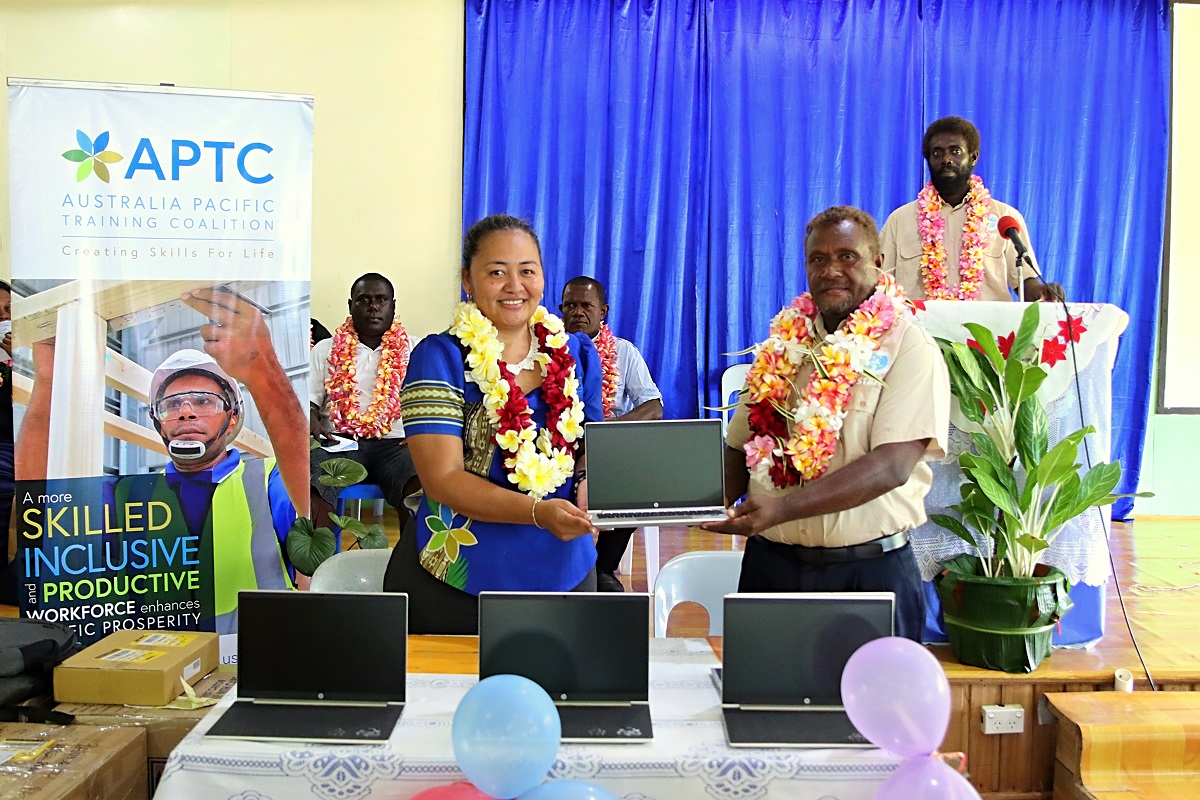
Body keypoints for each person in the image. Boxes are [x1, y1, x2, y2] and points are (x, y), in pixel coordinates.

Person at [706, 206, 951, 642]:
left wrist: (781, 509)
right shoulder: (782, 346)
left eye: (847, 256)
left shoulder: (910, 346)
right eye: (818, 259)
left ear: (877, 262)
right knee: (763, 709)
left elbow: (892, 465)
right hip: (772, 571)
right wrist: (698, 503)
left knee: (871, 712)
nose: (831, 270)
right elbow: (740, 448)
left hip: (868, 577)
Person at [15, 287, 310, 632]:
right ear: (158, 424)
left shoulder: (268, 478)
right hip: (158, 669)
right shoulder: (125, 494)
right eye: (171, 405)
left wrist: (262, 372)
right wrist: (50, 382)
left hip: (255, 670)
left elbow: (310, 502)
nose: (185, 412)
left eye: (203, 401)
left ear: (232, 419)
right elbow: (40, 505)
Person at [384, 214, 603, 634]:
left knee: (557, 694)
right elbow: (442, 479)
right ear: (468, 279)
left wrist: (590, 486)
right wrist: (538, 513)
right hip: (459, 579)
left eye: (527, 271)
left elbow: (590, 450)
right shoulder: (439, 359)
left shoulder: (576, 355)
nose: (514, 286)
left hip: (566, 569)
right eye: (496, 272)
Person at [879, 116, 1064, 302]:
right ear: (928, 160)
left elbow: (1025, 281)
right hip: (920, 328)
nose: (946, 159)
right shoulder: (900, 220)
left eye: (955, 151)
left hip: (988, 329)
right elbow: (880, 285)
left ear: (973, 157)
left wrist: (1042, 291)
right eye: (937, 153)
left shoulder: (1005, 218)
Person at [560, 276, 663, 591]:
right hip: (558, 447)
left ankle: (602, 568)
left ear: (602, 311)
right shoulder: (547, 350)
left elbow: (653, 407)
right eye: (570, 306)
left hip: (608, 447)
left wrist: (603, 432)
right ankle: (565, 566)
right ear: (560, 310)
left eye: (586, 305)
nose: (578, 312)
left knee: (634, 484)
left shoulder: (623, 351)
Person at [309, 274, 420, 527]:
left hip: (396, 445)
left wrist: (423, 433)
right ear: (350, 306)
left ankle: (410, 564)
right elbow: (309, 401)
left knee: (419, 479)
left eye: (381, 299)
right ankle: (320, 563)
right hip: (340, 441)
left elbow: (434, 403)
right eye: (364, 300)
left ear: (393, 305)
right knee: (317, 478)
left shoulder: (416, 349)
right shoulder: (326, 349)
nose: (373, 307)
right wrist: (313, 421)